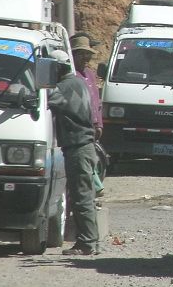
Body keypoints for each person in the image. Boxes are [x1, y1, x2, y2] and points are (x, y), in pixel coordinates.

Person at [46, 49, 100, 256]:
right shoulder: (77, 82)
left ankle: (86, 243)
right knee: (86, 196)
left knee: (81, 197)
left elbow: (46, 101)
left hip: (78, 147)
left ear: (58, 68)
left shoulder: (65, 87)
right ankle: (91, 241)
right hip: (84, 146)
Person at [70, 33, 105, 199]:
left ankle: (92, 192)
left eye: (88, 54)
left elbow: (96, 103)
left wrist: (99, 124)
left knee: (92, 161)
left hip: (92, 129)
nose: (86, 57)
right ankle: (92, 192)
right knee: (84, 166)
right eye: (82, 54)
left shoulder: (89, 74)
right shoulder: (71, 76)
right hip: (79, 131)